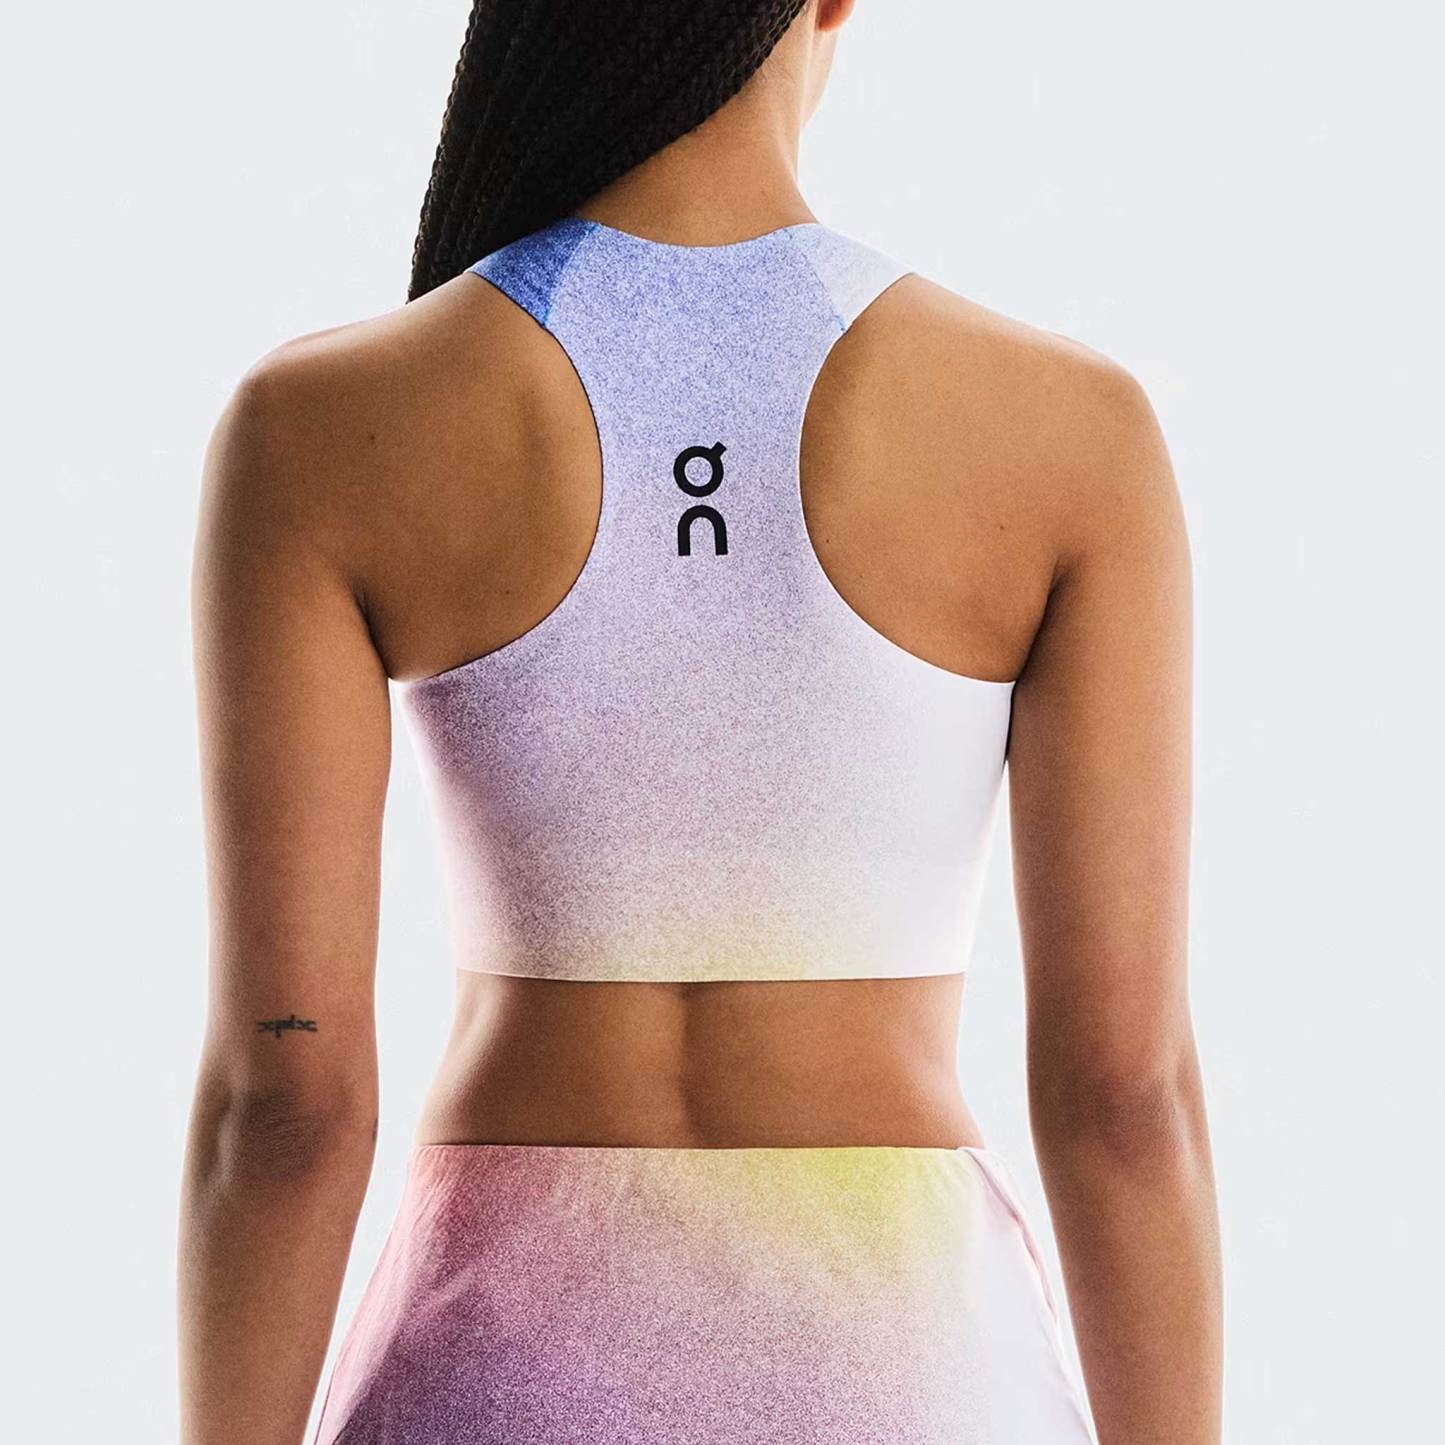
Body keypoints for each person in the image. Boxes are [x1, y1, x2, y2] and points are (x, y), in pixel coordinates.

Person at [178, 2, 1222, 1441]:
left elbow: (285, 1103)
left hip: (492, 1372)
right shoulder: (1064, 426)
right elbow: (1121, 1094)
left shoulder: (323, 423)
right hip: (911, 1371)